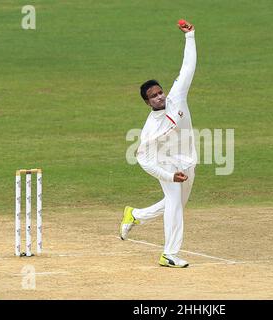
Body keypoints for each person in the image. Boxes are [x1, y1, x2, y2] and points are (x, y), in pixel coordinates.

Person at [120, 20, 197, 268]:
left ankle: (135, 215)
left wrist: (190, 36)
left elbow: (187, 68)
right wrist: (168, 175)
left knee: (177, 206)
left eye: (159, 92)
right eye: (153, 96)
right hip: (166, 165)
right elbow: (143, 160)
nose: (159, 96)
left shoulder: (176, 98)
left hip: (187, 161)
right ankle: (169, 254)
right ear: (147, 102)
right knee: (174, 205)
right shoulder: (150, 129)